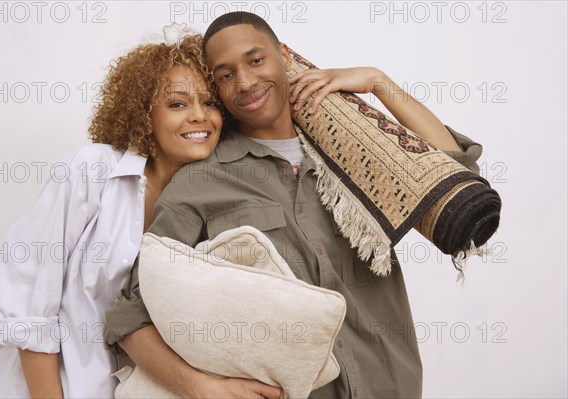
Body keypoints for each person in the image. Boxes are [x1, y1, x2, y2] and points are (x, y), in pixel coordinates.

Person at [104, 12, 483, 398]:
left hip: (389, 385)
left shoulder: (357, 154)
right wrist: (203, 388)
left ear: (284, 57)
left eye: (255, 60)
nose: (246, 82)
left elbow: (456, 179)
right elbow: (131, 314)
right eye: (226, 75)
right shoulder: (200, 183)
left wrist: (379, 83)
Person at [0, 34, 223, 398]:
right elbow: (31, 307)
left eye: (210, 102)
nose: (199, 116)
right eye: (177, 103)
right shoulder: (91, 172)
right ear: (144, 114)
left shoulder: (213, 203)